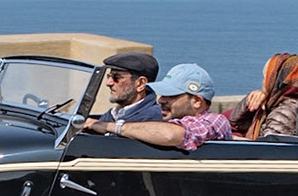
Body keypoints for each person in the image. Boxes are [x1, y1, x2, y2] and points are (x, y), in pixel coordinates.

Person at [90, 63, 233, 150]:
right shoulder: (163, 119)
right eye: (163, 95)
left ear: (197, 101)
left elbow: (173, 135)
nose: (162, 100)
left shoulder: (214, 122)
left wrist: (112, 126)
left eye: (171, 96)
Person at [226, 52, 298, 139]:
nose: (263, 82)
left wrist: (234, 139)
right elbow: (235, 122)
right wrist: (249, 102)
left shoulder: (282, 114)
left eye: (266, 78)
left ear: (274, 81)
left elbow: (268, 147)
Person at [98, 51, 162, 124]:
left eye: (116, 77)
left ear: (140, 84)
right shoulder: (114, 114)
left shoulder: (150, 119)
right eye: (109, 77)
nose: (108, 83)